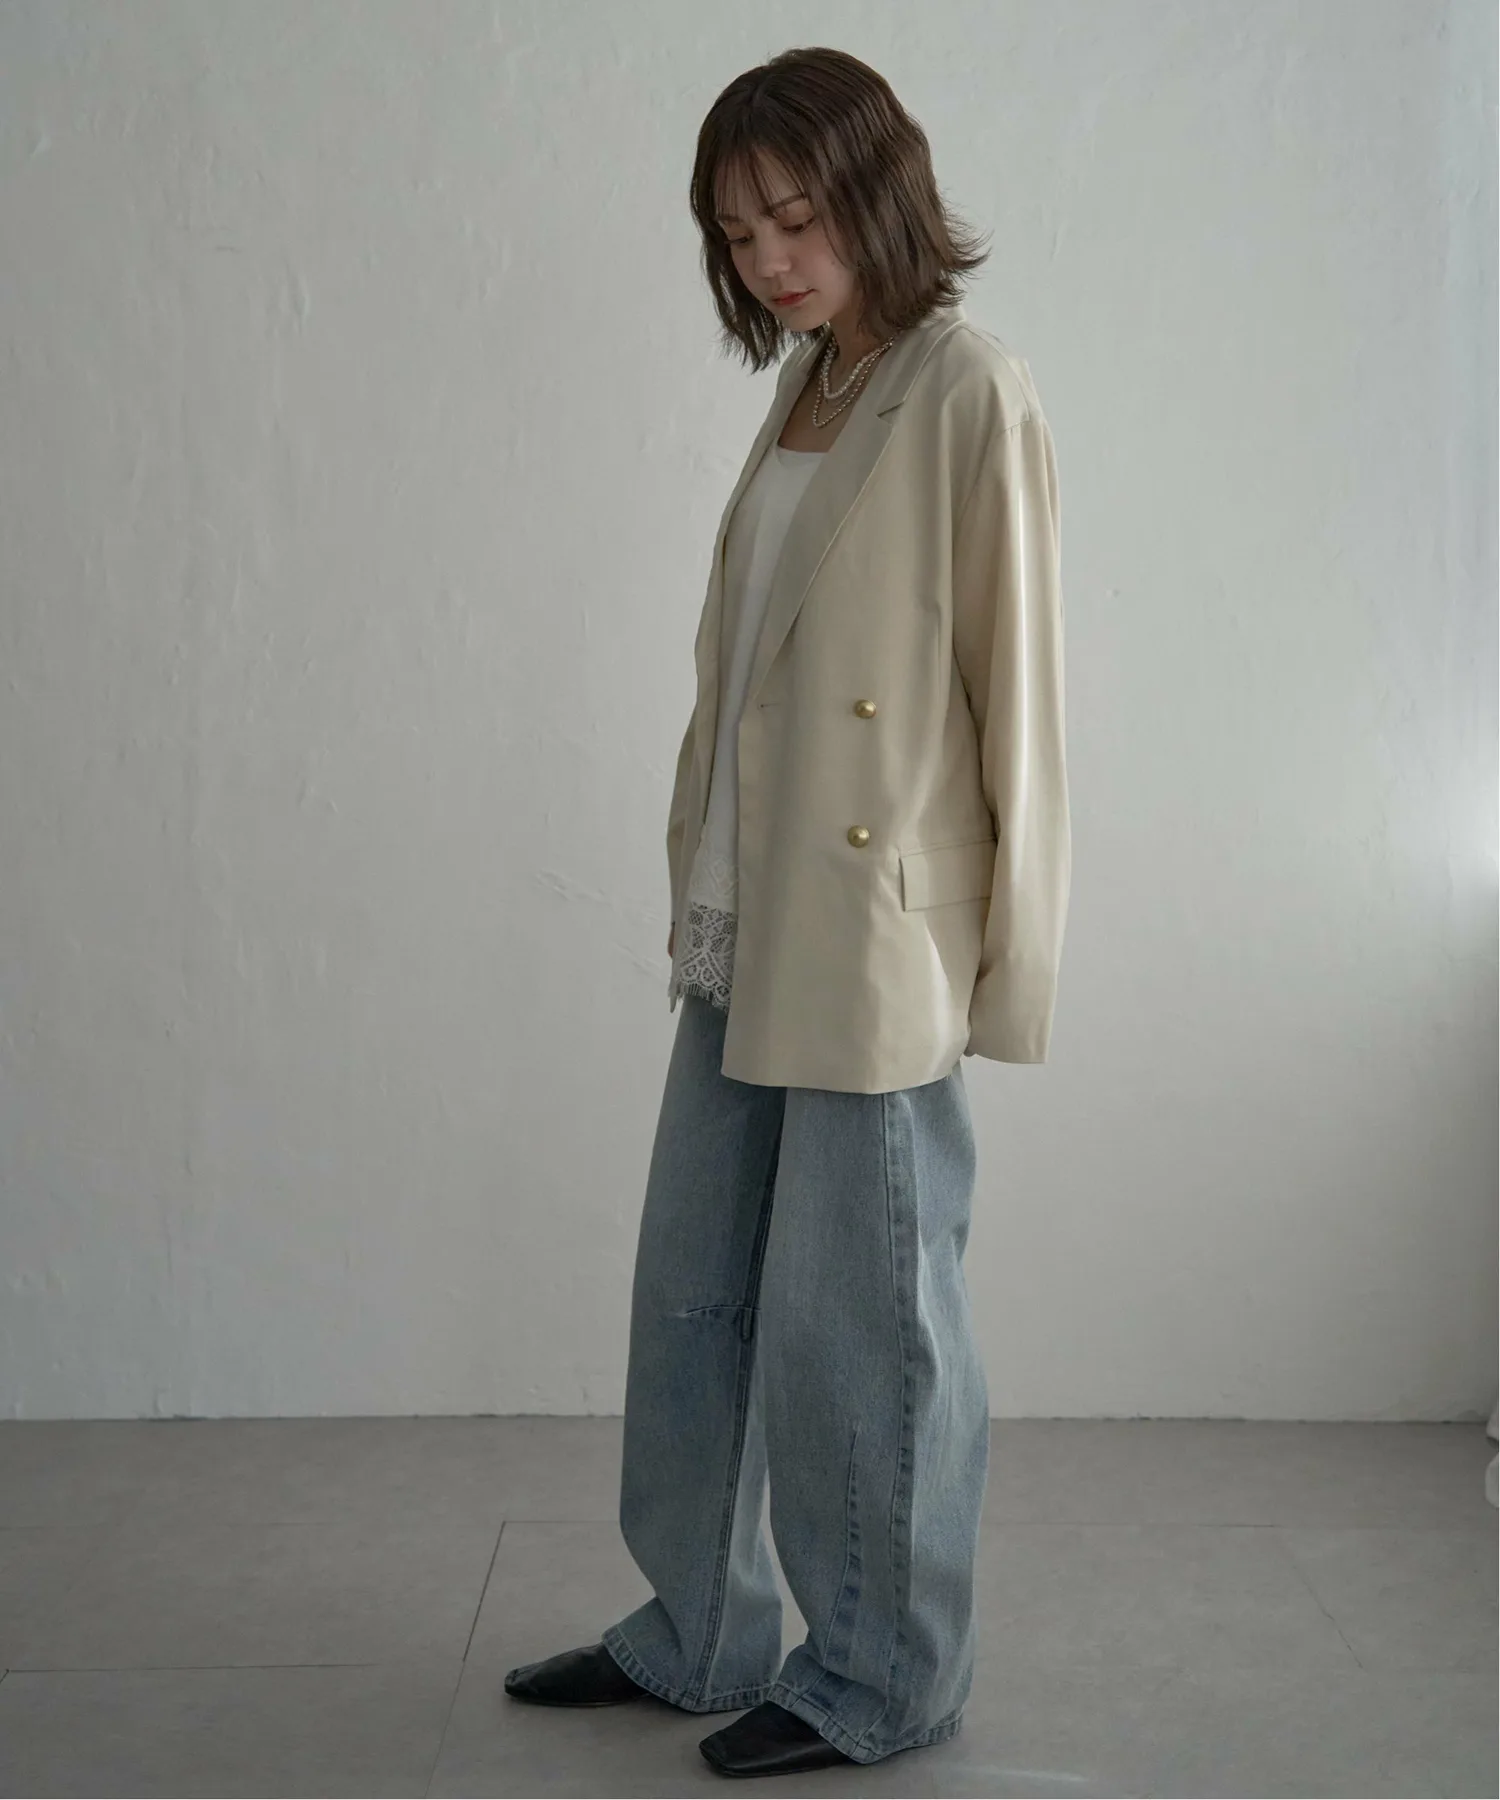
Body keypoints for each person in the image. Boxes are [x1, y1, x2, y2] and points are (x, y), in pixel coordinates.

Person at [505, 44, 1070, 1780]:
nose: (767, 259)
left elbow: (1021, 700)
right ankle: (699, 1630)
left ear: (877, 194)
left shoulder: (965, 387)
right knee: (696, 1293)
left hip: (876, 936)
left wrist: (1005, 965)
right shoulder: (814, 386)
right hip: (746, 913)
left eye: (796, 217)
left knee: (864, 1327)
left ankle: (884, 1676)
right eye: (737, 233)